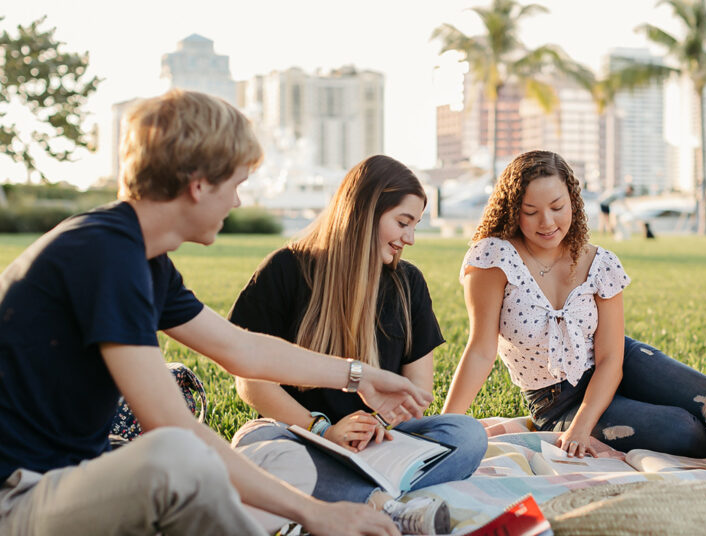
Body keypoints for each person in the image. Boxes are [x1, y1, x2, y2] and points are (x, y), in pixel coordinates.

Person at [0, 90, 433, 536]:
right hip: (18, 497)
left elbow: (240, 348)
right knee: (178, 457)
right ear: (199, 183)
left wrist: (360, 376)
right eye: (237, 186)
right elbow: (171, 425)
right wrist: (315, 512)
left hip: (74, 476)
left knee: (275, 472)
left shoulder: (142, 259)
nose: (238, 203)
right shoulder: (106, 255)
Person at [228, 155, 488, 535]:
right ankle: (387, 507)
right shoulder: (286, 269)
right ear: (365, 211)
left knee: (467, 435)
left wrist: (376, 425)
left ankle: (334, 491)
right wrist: (322, 431)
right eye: (403, 223)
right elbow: (251, 381)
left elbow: (417, 395)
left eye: (414, 226)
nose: (410, 238)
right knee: (256, 439)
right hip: (302, 437)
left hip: (379, 446)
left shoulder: (408, 284)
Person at [442, 150, 706, 459]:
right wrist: (444, 429)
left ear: (573, 202)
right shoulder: (493, 258)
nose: (546, 222)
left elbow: (611, 358)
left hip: (623, 365)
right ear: (513, 210)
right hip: (557, 402)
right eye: (530, 211)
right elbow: (481, 351)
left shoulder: (601, 263)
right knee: (685, 433)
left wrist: (585, 424)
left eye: (557, 207)